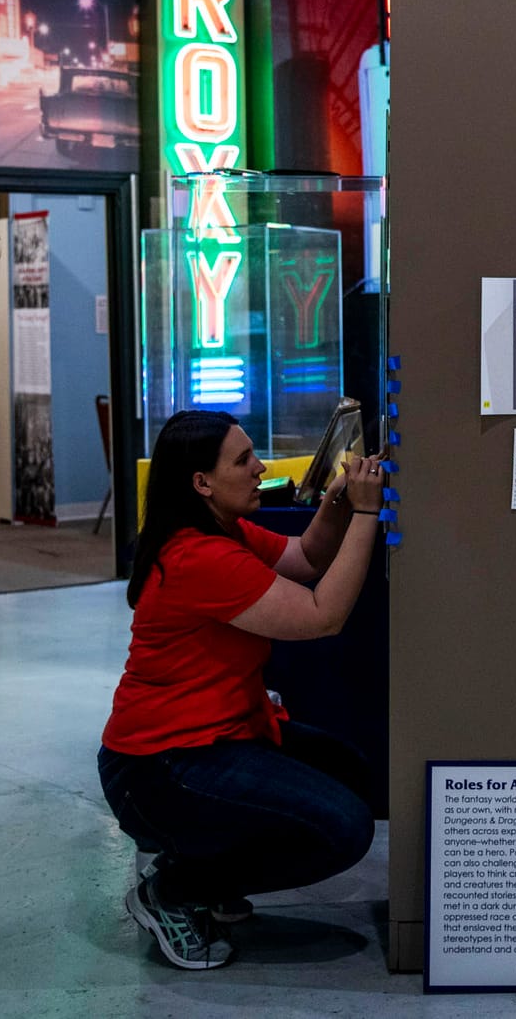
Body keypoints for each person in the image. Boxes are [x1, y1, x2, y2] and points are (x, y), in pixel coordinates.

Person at [97, 410, 386, 968]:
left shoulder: (220, 528)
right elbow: (321, 615)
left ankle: (208, 872)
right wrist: (368, 512)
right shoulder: (200, 556)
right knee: (343, 829)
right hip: (161, 768)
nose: (261, 469)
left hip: (220, 736)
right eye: (244, 460)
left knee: (347, 771)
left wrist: (338, 498)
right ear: (201, 483)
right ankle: (175, 890)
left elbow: (305, 557)